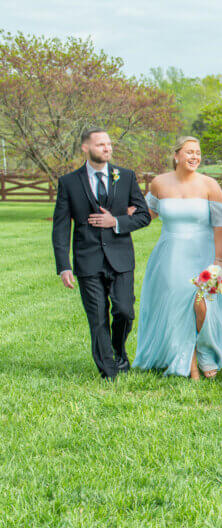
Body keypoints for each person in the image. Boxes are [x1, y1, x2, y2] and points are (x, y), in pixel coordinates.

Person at [133, 137, 222, 379]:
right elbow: (149, 213)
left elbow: (220, 226)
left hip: (206, 255)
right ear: (176, 155)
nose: (194, 156)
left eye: (197, 152)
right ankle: (190, 363)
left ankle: (205, 351)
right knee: (177, 308)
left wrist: (218, 261)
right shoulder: (159, 183)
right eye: (189, 152)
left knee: (203, 304)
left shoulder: (210, 185)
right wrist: (119, 217)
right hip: (170, 257)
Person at [51, 128, 151, 378]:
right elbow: (61, 226)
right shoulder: (69, 182)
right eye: (100, 144)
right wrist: (64, 266)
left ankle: (118, 350)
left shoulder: (125, 176)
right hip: (88, 259)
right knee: (97, 317)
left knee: (125, 311)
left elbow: (143, 215)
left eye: (108, 144)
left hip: (121, 258)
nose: (107, 148)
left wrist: (116, 222)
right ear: (85, 148)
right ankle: (109, 371)